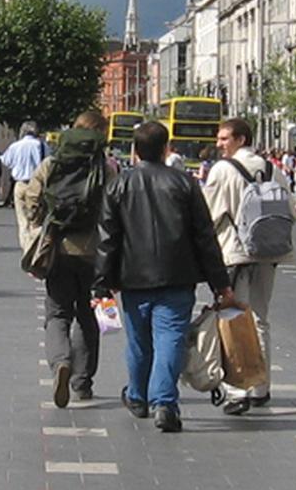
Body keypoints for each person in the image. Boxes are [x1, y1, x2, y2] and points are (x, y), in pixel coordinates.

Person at [95, 120, 235, 433]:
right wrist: (220, 283)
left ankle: (137, 396)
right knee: (170, 338)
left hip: (132, 278)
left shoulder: (119, 185)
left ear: (134, 151)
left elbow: (108, 239)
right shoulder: (184, 183)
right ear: (165, 149)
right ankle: (164, 403)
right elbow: (204, 236)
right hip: (177, 275)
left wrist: (101, 282)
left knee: (139, 342)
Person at [22, 108, 109, 407]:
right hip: (94, 252)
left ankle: (60, 361)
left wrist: (40, 223)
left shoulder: (52, 163)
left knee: (58, 312)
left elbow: (31, 197)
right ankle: (82, 383)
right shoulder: (106, 167)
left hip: (58, 248)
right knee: (87, 315)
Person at [204, 116, 287, 416]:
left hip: (235, 253)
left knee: (234, 317)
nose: (219, 144)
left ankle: (238, 389)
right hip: (267, 252)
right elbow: (289, 208)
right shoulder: (272, 168)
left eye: (224, 138)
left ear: (240, 139)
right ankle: (261, 387)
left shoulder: (223, 170)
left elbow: (208, 213)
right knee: (261, 319)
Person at [2, 122, 46, 197]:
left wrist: (16, 165)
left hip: (20, 183)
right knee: (34, 207)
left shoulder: (14, 146)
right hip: (36, 184)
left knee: (20, 208)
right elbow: (49, 162)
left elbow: (6, 161)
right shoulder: (42, 145)